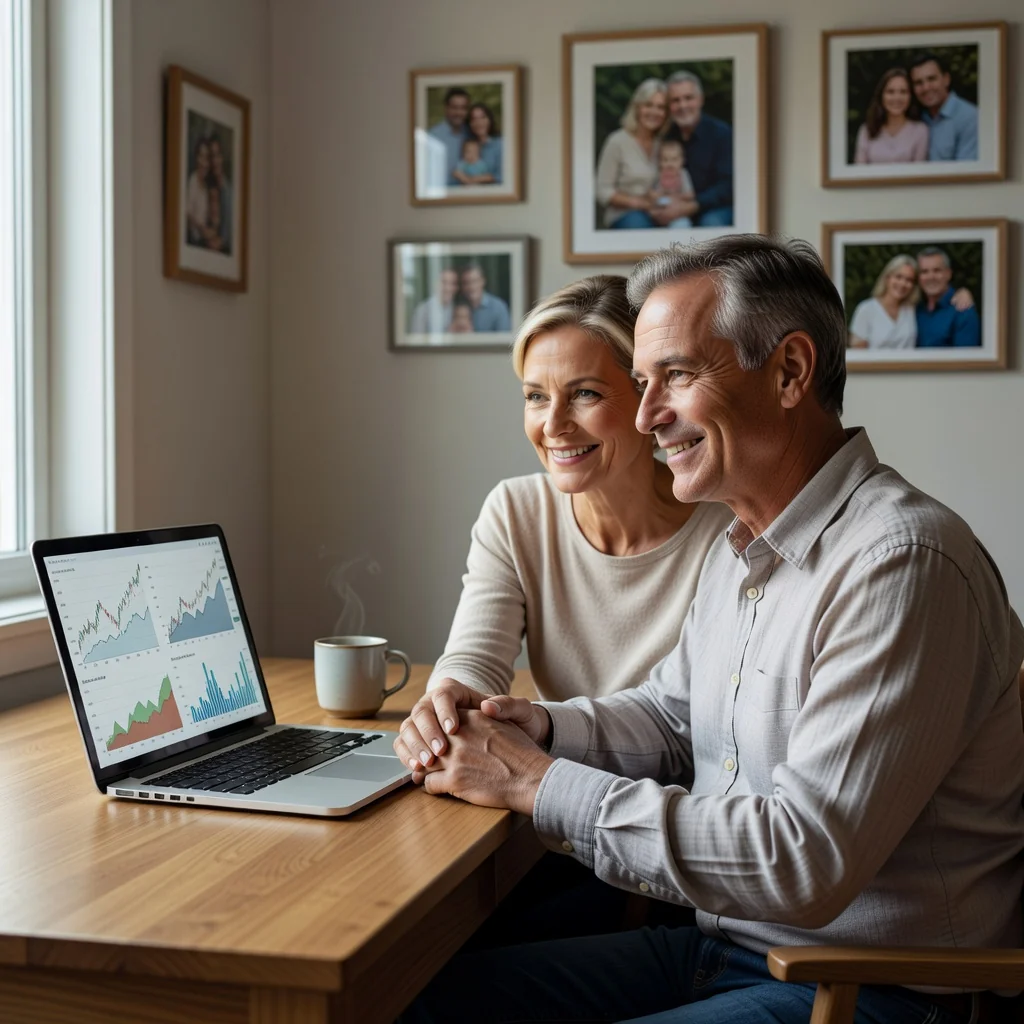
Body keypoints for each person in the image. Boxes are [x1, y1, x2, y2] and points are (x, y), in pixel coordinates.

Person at [399, 236, 1024, 1024]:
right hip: (732, 951)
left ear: (791, 372)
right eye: (640, 383)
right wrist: (540, 726)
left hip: (868, 988)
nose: (649, 414)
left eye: (678, 377)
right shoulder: (743, 541)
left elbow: (802, 859)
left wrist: (535, 781)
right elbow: (671, 716)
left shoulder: (901, 564)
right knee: (416, 1003)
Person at [658, 70, 733, 228]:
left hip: (714, 208)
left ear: (700, 99)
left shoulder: (721, 133)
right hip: (673, 206)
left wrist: (691, 206)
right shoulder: (667, 136)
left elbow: (727, 185)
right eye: (675, 100)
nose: (682, 105)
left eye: (688, 98)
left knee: (710, 224)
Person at [594, 78, 668, 230]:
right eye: (648, 105)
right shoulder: (617, 141)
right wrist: (640, 204)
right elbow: (602, 191)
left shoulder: (662, 144)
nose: (654, 112)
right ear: (637, 108)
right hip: (625, 217)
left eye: (660, 107)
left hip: (657, 214)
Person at [910, 51, 978, 162]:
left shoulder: (970, 118)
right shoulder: (917, 117)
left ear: (946, 80)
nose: (926, 87)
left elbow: (966, 174)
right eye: (918, 83)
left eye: (931, 79)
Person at [854, 68, 928, 164]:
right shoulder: (866, 130)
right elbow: (859, 172)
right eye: (890, 92)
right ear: (882, 96)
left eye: (903, 92)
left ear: (910, 96)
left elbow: (920, 174)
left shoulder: (920, 131)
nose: (897, 98)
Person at [915, 246, 981, 347]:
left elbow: (966, 360)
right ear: (918, 277)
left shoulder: (963, 311)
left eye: (937, 271)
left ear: (948, 274)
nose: (931, 277)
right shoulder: (914, 308)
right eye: (924, 272)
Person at [426, 86, 470, 186]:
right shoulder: (433, 137)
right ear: (446, 108)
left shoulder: (471, 133)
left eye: (463, 108)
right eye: (454, 108)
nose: (459, 113)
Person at [648, 139, 695, 227]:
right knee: (653, 209)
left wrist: (678, 196)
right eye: (665, 160)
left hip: (678, 208)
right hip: (661, 203)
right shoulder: (659, 174)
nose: (670, 164)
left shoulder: (683, 174)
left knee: (683, 223)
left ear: (682, 160)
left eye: (674, 160)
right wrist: (658, 194)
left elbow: (691, 194)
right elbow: (651, 192)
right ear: (659, 162)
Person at [459, 263, 510, 332]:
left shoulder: (498, 307)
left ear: (483, 281)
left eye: (474, 281)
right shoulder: (457, 306)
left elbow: (504, 338)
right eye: (466, 283)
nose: (471, 287)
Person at [409, 267, 458, 335]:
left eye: (452, 283)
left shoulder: (458, 309)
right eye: (444, 282)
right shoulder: (423, 310)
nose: (448, 288)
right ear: (436, 284)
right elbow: (416, 340)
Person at [207, 135, 233, 253]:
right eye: (211, 157)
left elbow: (227, 235)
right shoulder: (208, 185)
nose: (214, 161)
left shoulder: (228, 192)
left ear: (222, 158)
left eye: (217, 155)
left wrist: (221, 241)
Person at [467, 101, 503, 183]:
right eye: (474, 119)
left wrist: (472, 179)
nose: (479, 122)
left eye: (482, 117)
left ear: (489, 120)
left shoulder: (500, 144)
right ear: (470, 124)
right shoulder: (468, 145)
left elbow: (501, 176)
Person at [185, 137, 211, 246]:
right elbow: (187, 213)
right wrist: (202, 229)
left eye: (207, 158)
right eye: (201, 156)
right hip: (192, 240)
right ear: (196, 158)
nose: (204, 163)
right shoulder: (192, 181)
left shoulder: (206, 187)